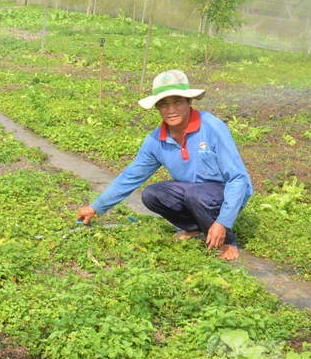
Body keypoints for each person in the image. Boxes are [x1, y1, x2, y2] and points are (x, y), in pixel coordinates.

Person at [76, 70, 252, 261]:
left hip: (225, 193)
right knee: (152, 194)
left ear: (189, 102)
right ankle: (195, 227)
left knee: (196, 194)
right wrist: (96, 206)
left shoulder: (212, 128)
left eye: (177, 101)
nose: (171, 110)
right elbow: (131, 176)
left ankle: (227, 240)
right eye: (163, 104)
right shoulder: (155, 140)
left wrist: (223, 222)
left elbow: (238, 179)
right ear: (157, 108)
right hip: (195, 193)